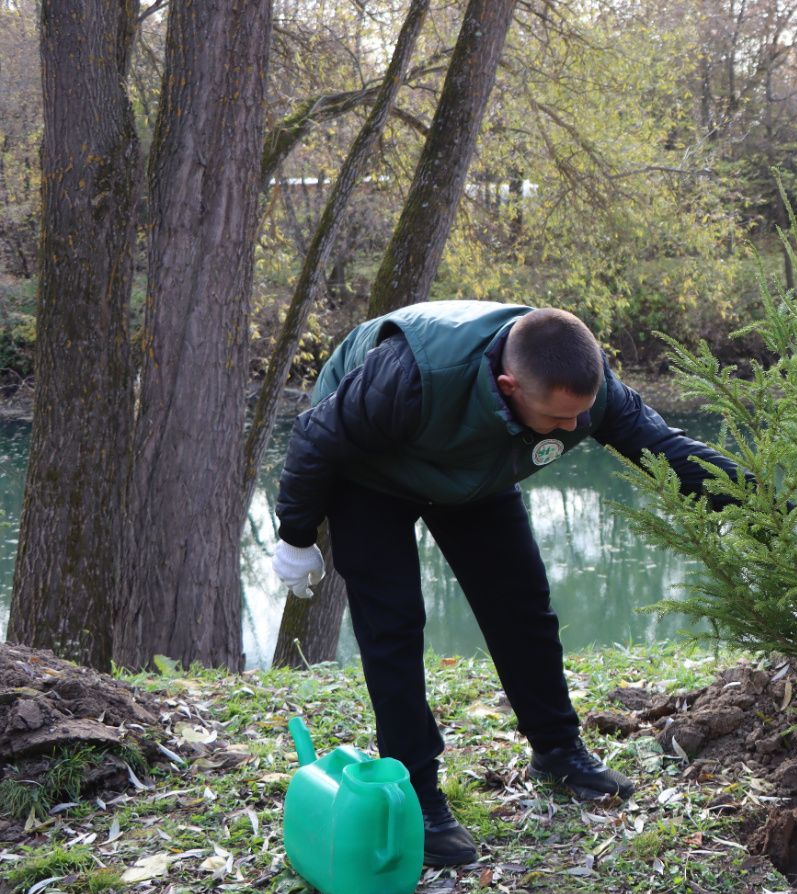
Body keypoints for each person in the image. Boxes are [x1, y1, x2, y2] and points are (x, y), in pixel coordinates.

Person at [270, 301, 741, 865]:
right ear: (508, 385)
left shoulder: (587, 394)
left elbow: (667, 450)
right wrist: (296, 536)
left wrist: (760, 503)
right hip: (370, 471)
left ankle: (559, 751)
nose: (573, 430)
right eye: (558, 419)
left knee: (522, 608)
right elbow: (317, 434)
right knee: (392, 628)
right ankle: (417, 793)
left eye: (580, 416)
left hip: (476, 473)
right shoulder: (409, 375)